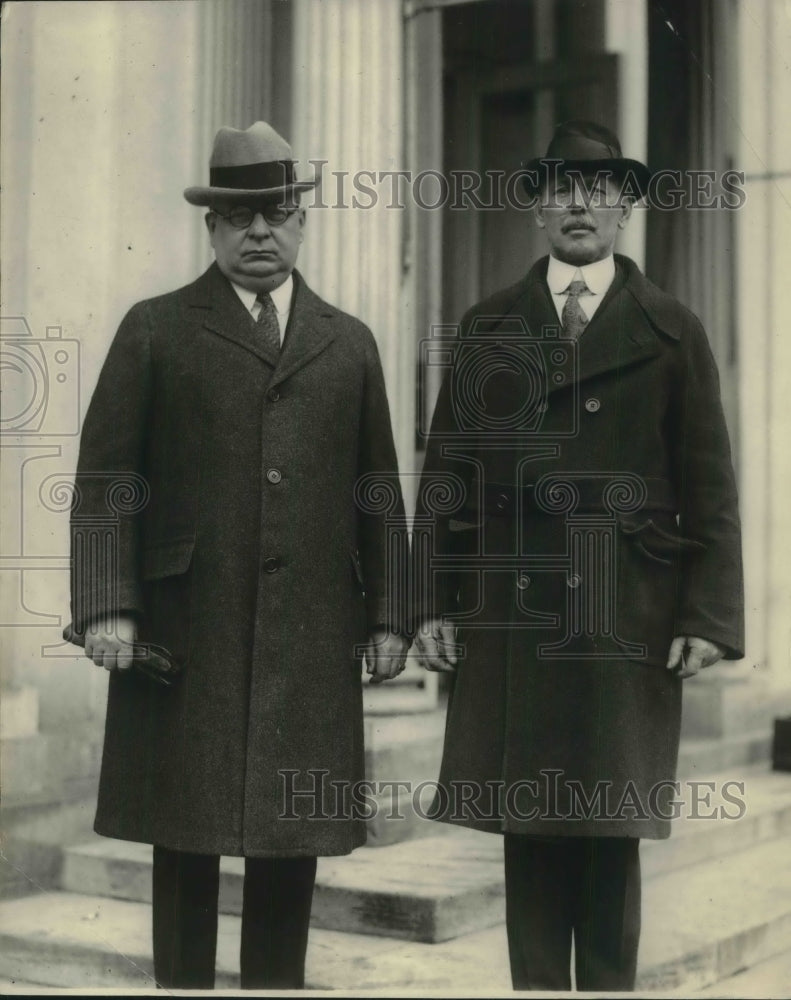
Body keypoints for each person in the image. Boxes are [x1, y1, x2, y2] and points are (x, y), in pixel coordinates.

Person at [68, 121, 409, 990]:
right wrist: (107, 604)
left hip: (311, 634)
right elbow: (108, 480)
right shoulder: (155, 327)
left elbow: (377, 490)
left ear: (303, 223)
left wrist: (390, 617)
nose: (260, 232)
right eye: (240, 216)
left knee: (291, 842)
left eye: (278, 214)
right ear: (211, 227)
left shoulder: (348, 340)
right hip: (188, 630)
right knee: (184, 837)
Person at [412, 120, 743, 991]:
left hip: (625, 613)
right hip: (514, 617)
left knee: (606, 834)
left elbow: (710, 486)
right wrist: (431, 602)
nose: (579, 204)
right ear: (535, 207)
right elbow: (446, 477)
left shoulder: (670, 329)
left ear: (626, 206)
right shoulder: (488, 327)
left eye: (599, 189)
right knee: (529, 834)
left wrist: (708, 616)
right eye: (559, 188)